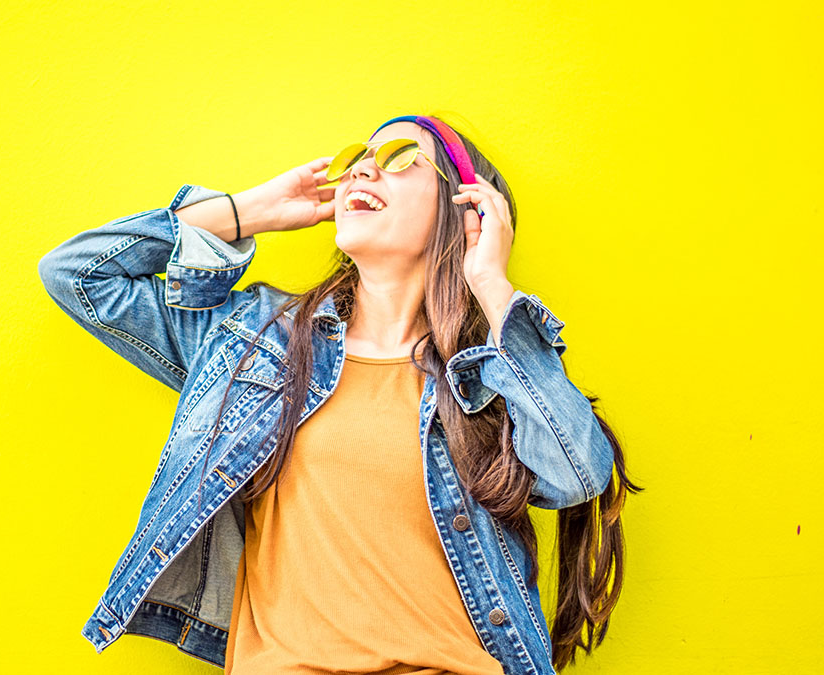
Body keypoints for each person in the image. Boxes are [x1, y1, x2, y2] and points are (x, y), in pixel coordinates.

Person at [38, 113, 642, 674]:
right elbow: (77, 274)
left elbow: (577, 474)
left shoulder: (487, 373)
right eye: (358, 158)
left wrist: (491, 284)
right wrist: (250, 211)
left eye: (402, 157)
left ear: (468, 212)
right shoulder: (254, 341)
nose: (363, 168)